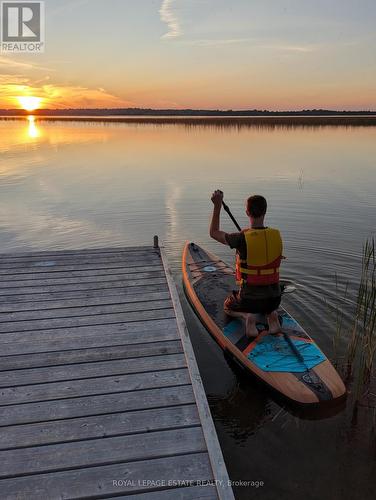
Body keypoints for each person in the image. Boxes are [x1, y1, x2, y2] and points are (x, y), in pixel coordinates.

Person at [209, 190, 283, 338]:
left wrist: (217, 205)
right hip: (274, 299)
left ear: (247, 212)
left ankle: (249, 318)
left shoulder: (241, 238)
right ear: (265, 211)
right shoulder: (276, 235)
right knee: (266, 302)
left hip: (250, 301)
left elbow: (214, 232)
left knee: (227, 306)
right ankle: (272, 316)